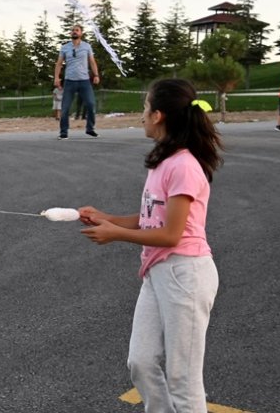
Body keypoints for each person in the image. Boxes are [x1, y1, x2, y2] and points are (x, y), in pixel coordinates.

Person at [77, 78, 222, 413]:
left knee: (182, 379)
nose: (141, 114)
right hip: (157, 272)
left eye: (145, 108)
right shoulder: (163, 162)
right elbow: (150, 220)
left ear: (158, 115)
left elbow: (171, 235)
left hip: (185, 274)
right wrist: (106, 217)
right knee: (140, 363)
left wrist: (115, 233)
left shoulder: (184, 165)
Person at [54, 24, 101, 139]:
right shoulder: (65, 47)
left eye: (77, 30)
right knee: (65, 108)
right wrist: (56, 77)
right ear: (71, 33)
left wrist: (96, 75)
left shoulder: (87, 46)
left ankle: (90, 129)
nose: (74, 32)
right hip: (70, 81)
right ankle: (63, 132)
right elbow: (59, 63)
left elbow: (92, 61)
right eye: (73, 30)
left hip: (84, 81)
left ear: (81, 33)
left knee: (90, 104)